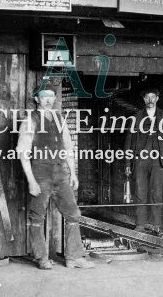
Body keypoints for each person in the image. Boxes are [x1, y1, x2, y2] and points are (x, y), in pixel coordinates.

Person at [16, 86, 95, 270]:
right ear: (37, 99)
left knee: (73, 214)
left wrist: (73, 174)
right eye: (44, 97)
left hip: (60, 173)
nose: (48, 100)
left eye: (51, 97)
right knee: (37, 217)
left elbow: (68, 148)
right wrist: (31, 180)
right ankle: (41, 258)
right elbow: (23, 152)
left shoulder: (60, 119)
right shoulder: (30, 120)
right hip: (40, 172)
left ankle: (73, 257)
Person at [123, 86, 163, 234]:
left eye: (153, 97)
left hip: (159, 160)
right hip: (140, 160)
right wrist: (127, 162)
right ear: (144, 99)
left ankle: (157, 225)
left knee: (156, 193)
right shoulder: (136, 116)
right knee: (140, 192)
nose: (150, 100)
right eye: (147, 97)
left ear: (157, 99)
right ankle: (140, 225)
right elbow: (129, 141)